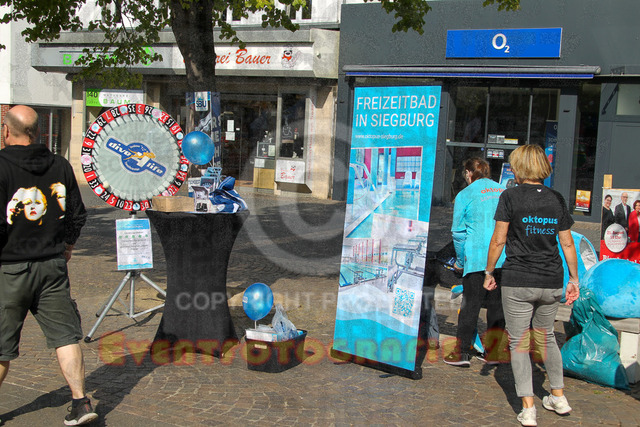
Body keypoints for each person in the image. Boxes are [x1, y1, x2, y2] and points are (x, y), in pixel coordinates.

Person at [0, 106, 97, 425]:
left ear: (6, 131)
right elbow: (77, 214)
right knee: (66, 337)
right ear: (38, 132)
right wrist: (67, 246)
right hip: (52, 266)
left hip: (9, 269)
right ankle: (81, 402)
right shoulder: (60, 165)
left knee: (1, 347)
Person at [483, 144, 580, 427]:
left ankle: (528, 409)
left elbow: (499, 239)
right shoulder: (556, 198)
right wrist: (574, 279)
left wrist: (489, 271)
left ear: (519, 167)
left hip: (519, 279)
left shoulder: (510, 196)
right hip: (551, 280)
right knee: (546, 337)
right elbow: (567, 243)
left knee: (519, 342)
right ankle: (558, 397)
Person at [444, 158, 506, 367]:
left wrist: (460, 261)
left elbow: (458, 233)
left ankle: (462, 352)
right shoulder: (503, 190)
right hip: (502, 256)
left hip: (477, 257)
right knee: (497, 306)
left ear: (469, 173)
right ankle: (494, 352)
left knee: (470, 305)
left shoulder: (465, 194)